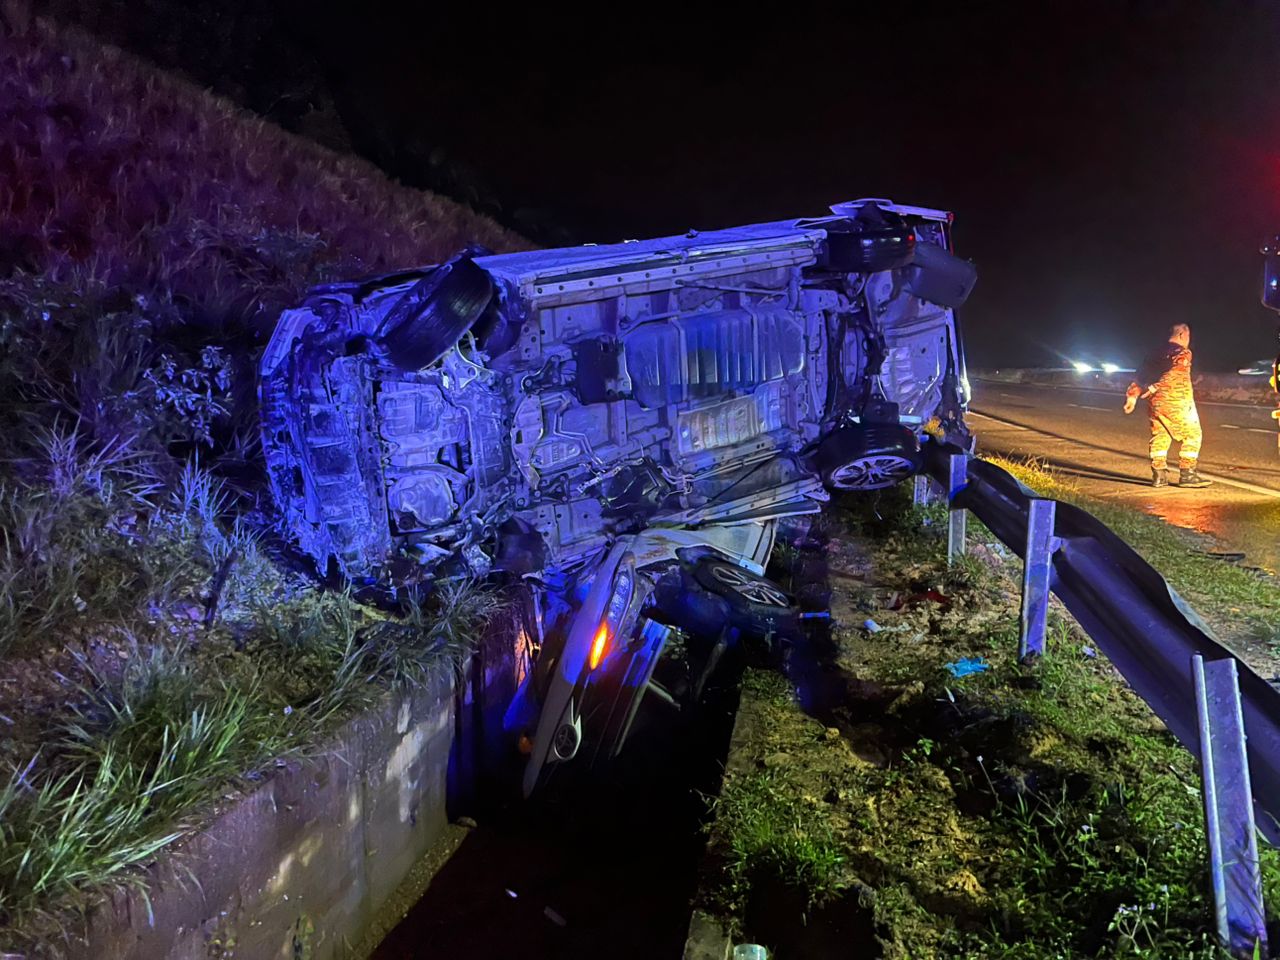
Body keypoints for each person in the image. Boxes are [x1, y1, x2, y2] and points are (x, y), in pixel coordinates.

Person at [1123, 323, 1211, 488]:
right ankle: (1188, 474)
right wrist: (1155, 386)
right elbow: (1174, 372)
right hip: (1176, 400)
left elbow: (1140, 375)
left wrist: (1132, 396)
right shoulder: (1181, 352)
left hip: (1154, 402)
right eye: (1188, 336)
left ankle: (1159, 475)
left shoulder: (1154, 354)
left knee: (1160, 435)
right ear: (1181, 335)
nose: (1188, 340)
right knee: (1193, 434)